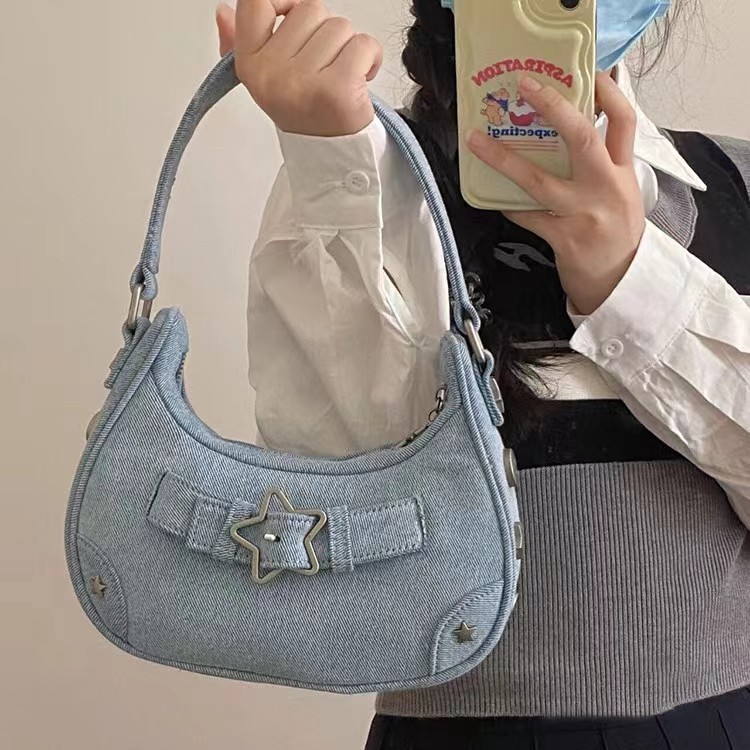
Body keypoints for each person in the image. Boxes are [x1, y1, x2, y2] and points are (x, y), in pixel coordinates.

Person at [216, 0, 750, 747]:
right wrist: (335, 172)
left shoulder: (735, 187)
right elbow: (342, 539)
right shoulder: (361, 182)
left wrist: (633, 282)